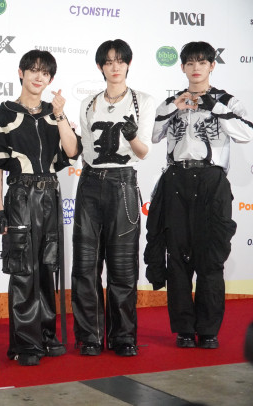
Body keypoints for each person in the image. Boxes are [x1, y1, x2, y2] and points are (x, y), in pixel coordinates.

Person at [144, 41, 253, 350]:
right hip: (176, 179)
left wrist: (213, 106)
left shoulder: (227, 101)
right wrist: (173, 108)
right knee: (177, 257)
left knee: (211, 257)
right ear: (182, 67)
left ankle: (208, 330)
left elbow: (247, 133)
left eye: (202, 62)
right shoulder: (171, 102)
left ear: (212, 66)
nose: (196, 68)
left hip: (211, 181)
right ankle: (183, 329)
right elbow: (151, 136)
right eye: (190, 63)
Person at [0, 50, 80, 366]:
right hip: (20, 195)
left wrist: (61, 115)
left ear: (50, 78)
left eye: (45, 72)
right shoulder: (3, 114)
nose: (38, 77)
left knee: (47, 267)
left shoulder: (55, 113)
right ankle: (25, 344)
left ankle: (46, 335)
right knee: (23, 270)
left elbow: (72, 151)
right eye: (33, 70)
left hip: (50, 194)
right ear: (21, 72)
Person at [71, 39, 155, 357]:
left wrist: (131, 135)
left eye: (120, 60)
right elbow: (83, 151)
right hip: (90, 183)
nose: (115, 66)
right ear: (100, 67)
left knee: (123, 267)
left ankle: (123, 337)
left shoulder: (143, 101)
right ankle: (89, 337)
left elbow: (143, 152)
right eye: (108, 61)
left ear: (128, 64)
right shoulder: (89, 103)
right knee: (85, 266)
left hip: (123, 184)